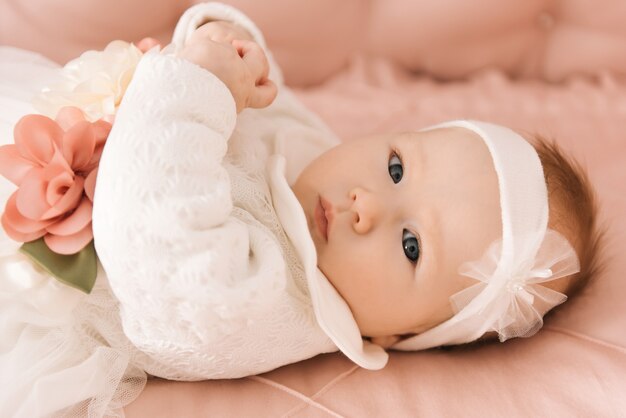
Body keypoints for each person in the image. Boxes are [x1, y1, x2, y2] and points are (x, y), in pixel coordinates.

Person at [0, 2, 601, 417]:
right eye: (396, 167)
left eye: (411, 244)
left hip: (27, 286)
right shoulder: (319, 161)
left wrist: (198, 85)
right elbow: (265, 91)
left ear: (397, 335)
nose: (367, 204)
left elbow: (158, 242)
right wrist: (226, 44)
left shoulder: (270, 304)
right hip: (40, 136)